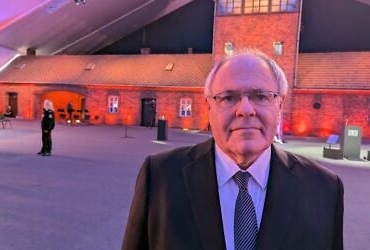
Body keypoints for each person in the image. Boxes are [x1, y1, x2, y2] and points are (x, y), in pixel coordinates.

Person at [122, 49, 344, 250]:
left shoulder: (324, 188)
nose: (245, 110)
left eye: (260, 96)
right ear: (209, 106)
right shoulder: (161, 176)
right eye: (228, 97)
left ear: (280, 104)